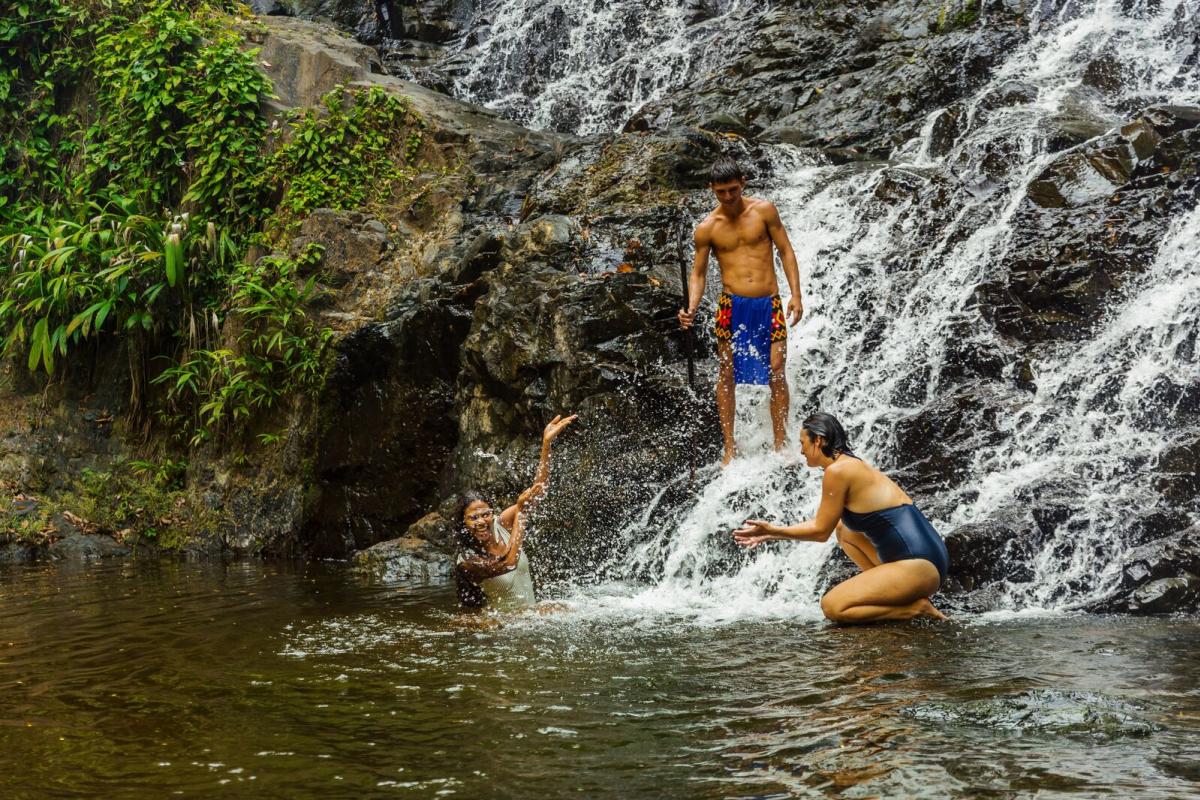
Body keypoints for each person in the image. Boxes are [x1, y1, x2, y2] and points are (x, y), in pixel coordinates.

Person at [732, 412, 950, 623]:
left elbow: (820, 532)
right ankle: (893, 593)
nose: (801, 451)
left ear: (818, 440)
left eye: (803, 443)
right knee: (845, 531)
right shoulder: (850, 464)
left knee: (833, 606)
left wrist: (772, 531)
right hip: (928, 560)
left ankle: (914, 609)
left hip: (919, 566)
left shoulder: (838, 471)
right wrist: (772, 534)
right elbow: (827, 525)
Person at [678, 156, 804, 465]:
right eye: (721, 192)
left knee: (776, 368)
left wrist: (796, 295)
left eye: (733, 190)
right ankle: (729, 447)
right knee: (727, 372)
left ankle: (780, 441)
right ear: (712, 189)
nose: (728, 197)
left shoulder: (764, 211)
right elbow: (698, 273)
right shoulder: (707, 228)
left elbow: (786, 251)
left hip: (769, 302)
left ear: (742, 183)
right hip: (731, 306)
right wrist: (691, 307)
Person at [454, 414, 577, 611]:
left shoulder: (501, 524)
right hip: (506, 629)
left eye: (485, 514)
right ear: (463, 522)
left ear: (492, 513)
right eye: (473, 517)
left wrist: (546, 445)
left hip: (531, 621)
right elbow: (509, 563)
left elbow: (538, 491)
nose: (481, 522)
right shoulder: (467, 561)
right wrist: (520, 513)